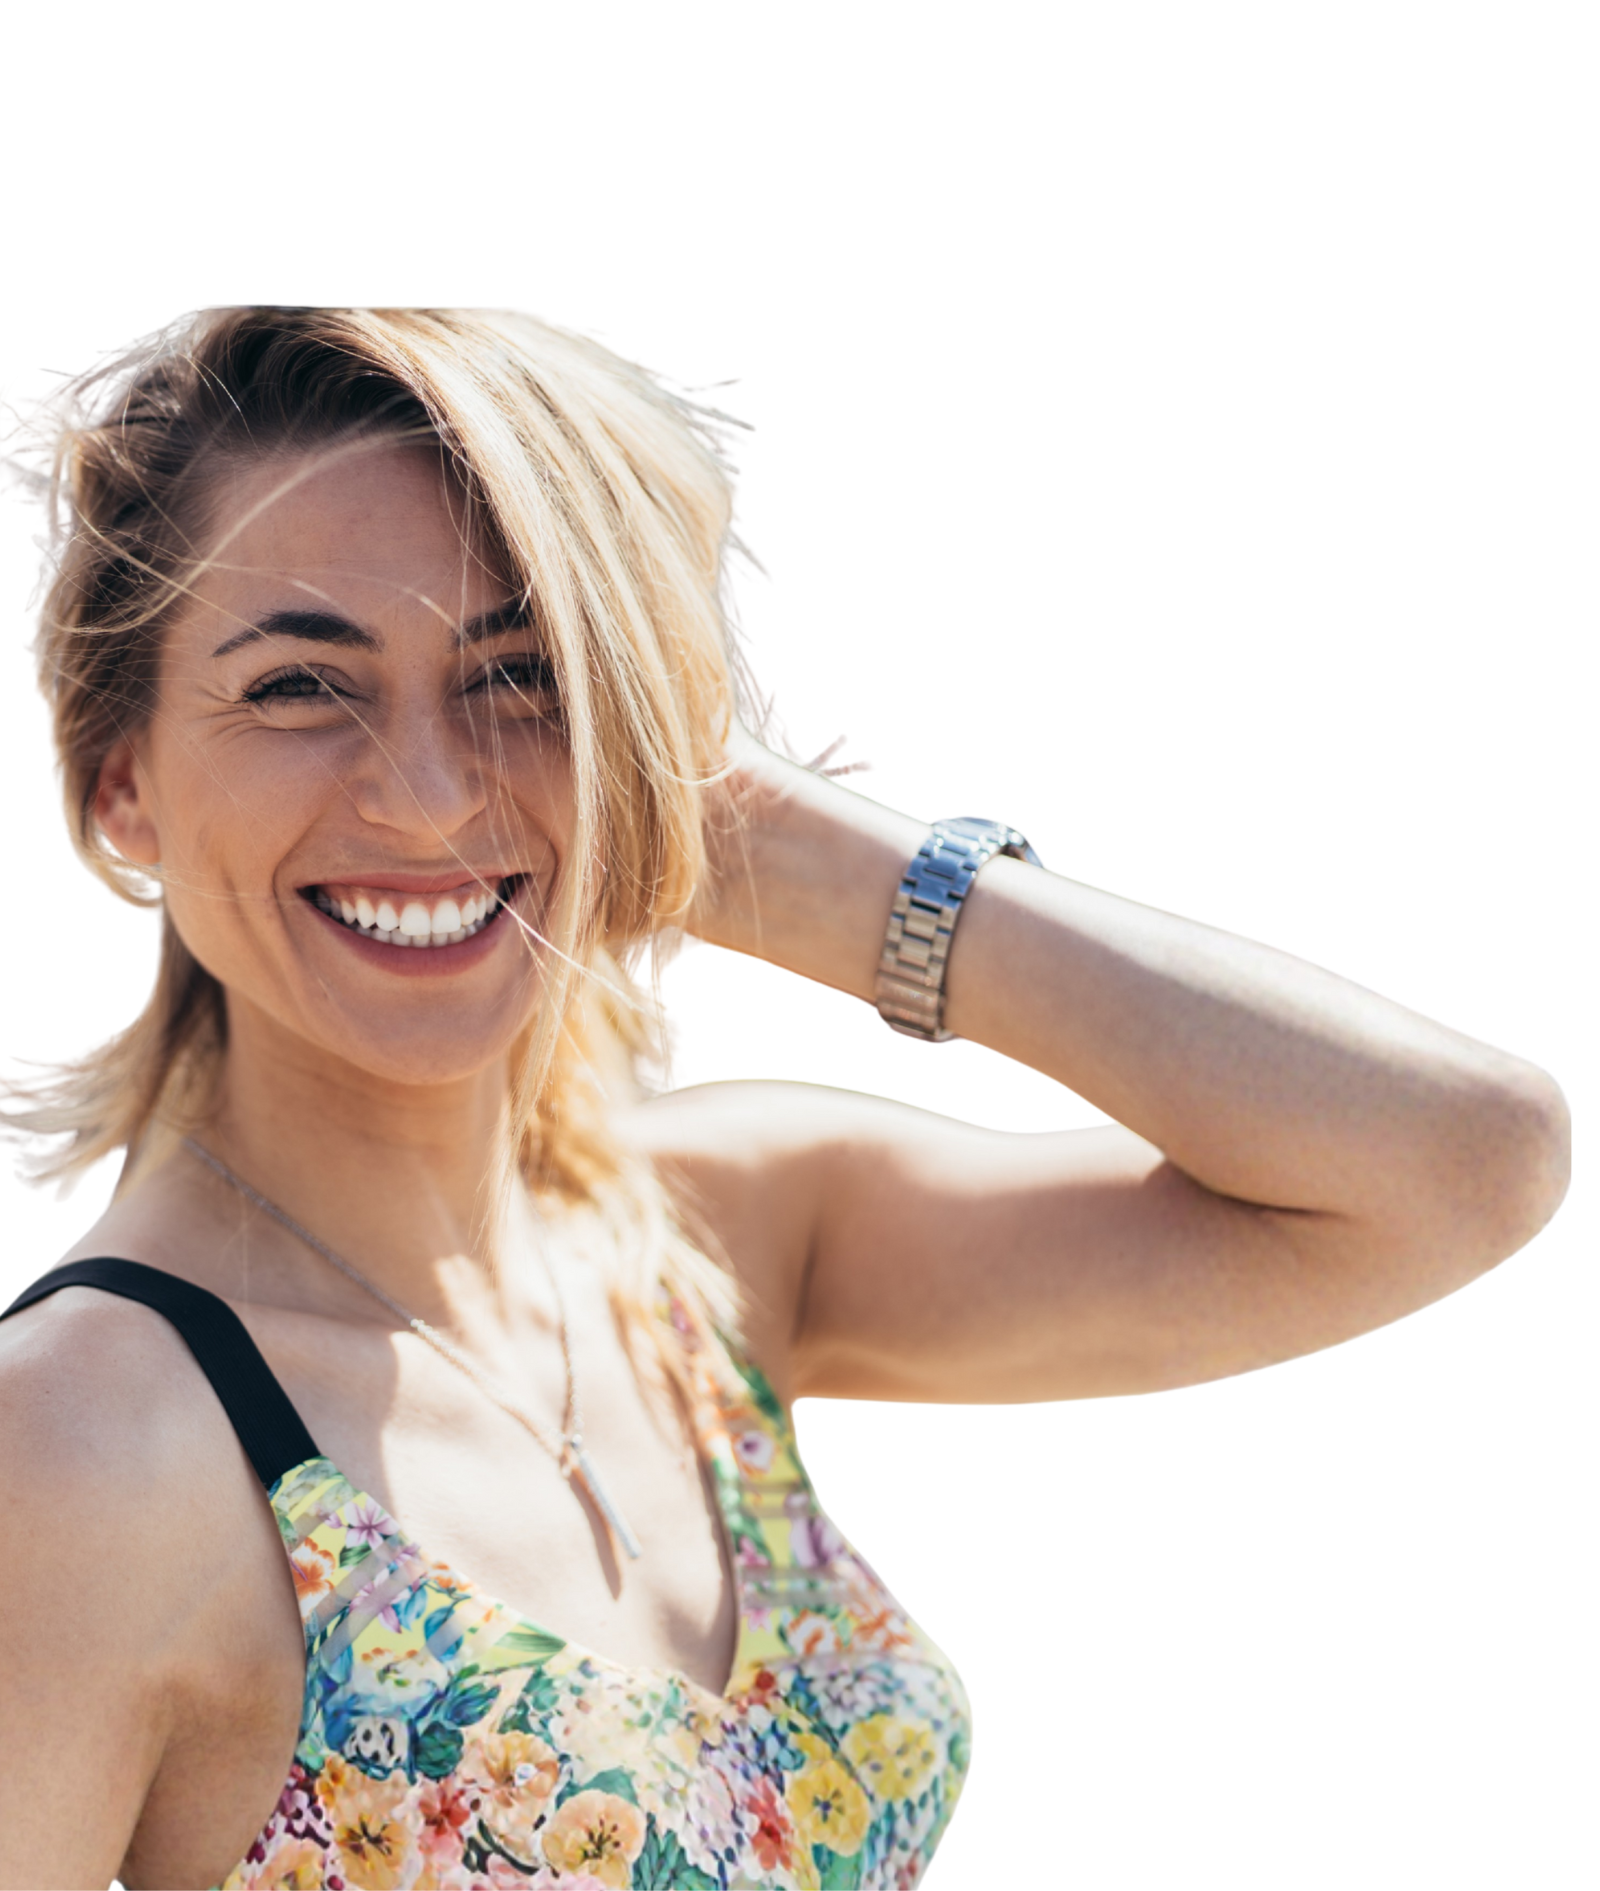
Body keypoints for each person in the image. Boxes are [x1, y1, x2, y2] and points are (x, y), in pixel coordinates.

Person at [0, 306, 1571, 1891]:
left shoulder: (713, 1242)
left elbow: (1459, 1166)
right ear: (118, 784)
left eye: (527, 673)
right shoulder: (77, 1444)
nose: (427, 791)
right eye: (297, 688)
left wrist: (761, 847)